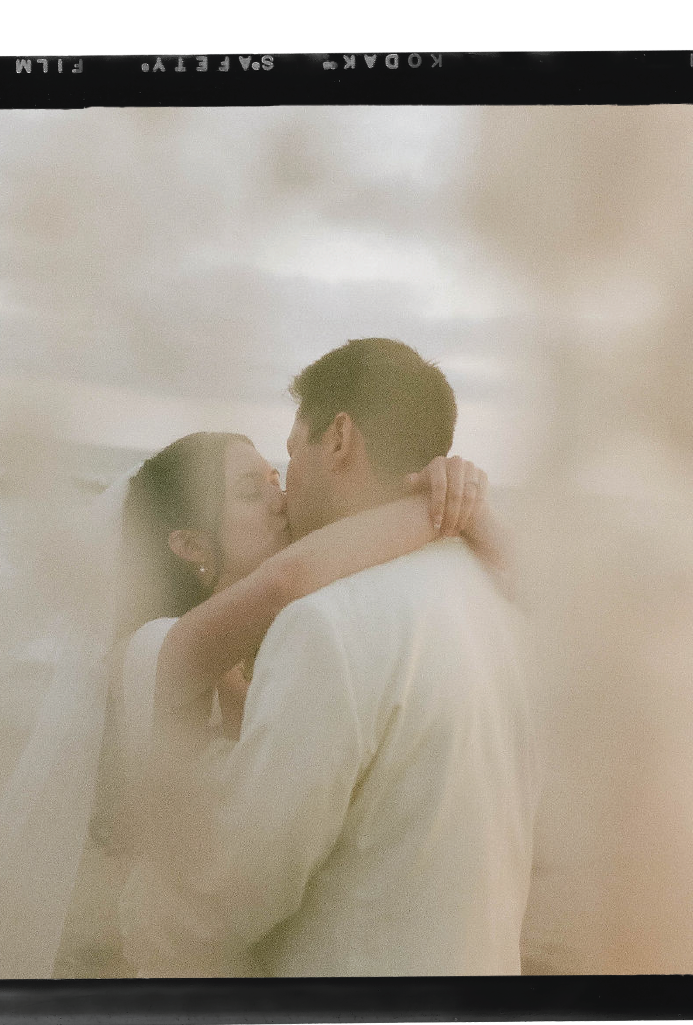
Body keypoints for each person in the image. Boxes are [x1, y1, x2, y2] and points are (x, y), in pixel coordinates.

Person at [117, 338, 540, 978]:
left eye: (289, 456)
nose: (285, 494)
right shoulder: (497, 598)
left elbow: (235, 895)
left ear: (339, 438)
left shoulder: (327, 624)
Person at [52, 431, 500, 977]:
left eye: (274, 478)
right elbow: (288, 579)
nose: (280, 498)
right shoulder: (156, 649)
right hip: (189, 955)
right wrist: (448, 506)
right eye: (250, 491)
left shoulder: (279, 644)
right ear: (190, 545)